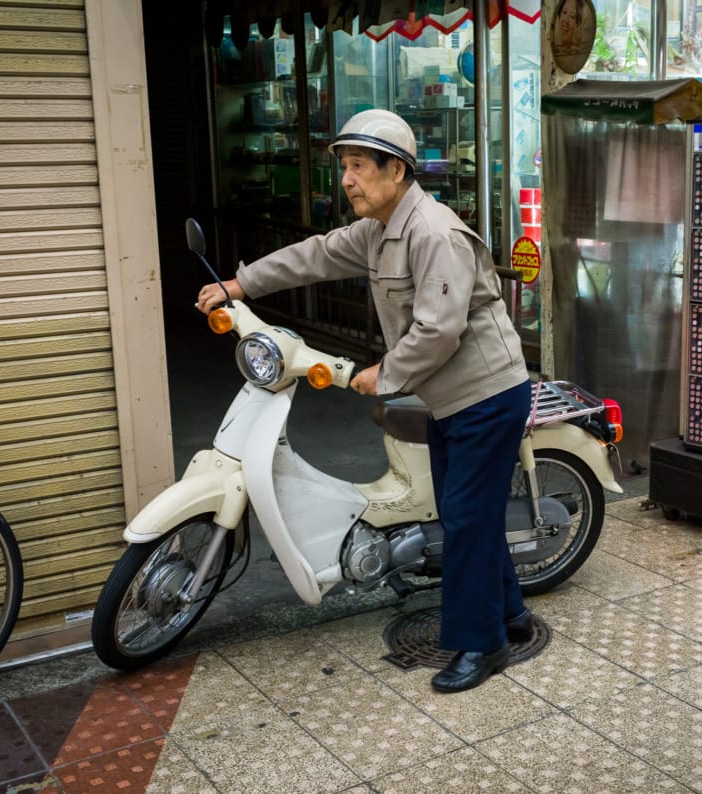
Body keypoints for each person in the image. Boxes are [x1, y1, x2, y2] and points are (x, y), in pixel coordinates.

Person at [195, 109, 534, 693]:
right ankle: (512, 615)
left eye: (358, 167)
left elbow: (439, 330)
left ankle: (483, 644)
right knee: (465, 515)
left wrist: (386, 373)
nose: (347, 180)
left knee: (467, 519)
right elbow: (317, 254)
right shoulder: (380, 229)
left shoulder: (434, 233)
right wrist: (239, 285)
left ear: (396, 170)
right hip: (451, 398)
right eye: (345, 168)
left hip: (485, 394)